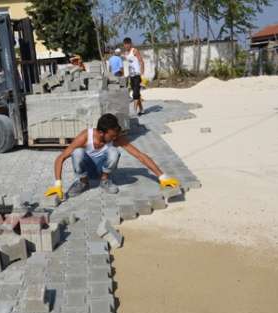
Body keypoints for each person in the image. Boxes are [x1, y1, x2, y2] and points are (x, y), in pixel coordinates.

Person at [44, 114, 180, 199]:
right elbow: (60, 158)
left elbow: (139, 155)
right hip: (87, 170)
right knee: (77, 152)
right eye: (112, 135)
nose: (115, 137)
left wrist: (162, 176)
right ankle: (83, 182)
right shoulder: (86, 136)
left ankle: (104, 181)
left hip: (102, 170)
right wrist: (58, 184)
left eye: (116, 135)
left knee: (114, 152)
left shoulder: (115, 138)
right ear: (101, 132)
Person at [123, 37, 145, 115]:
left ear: (130, 44)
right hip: (131, 76)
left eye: (127, 44)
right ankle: (141, 109)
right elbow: (127, 65)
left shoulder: (134, 51)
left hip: (137, 75)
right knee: (136, 93)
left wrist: (142, 75)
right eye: (125, 44)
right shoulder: (125, 53)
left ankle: (134, 111)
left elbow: (141, 62)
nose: (126, 46)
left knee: (135, 94)